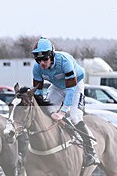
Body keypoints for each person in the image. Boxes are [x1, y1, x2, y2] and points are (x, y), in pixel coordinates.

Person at [30, 37, 99, 167]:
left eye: (45, 59)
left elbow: (71, 89)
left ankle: (91, 151)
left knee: (75, 116)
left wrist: (62, 112)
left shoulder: (64, 61)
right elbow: (38, 93)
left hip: (75, 85)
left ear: (51, 55)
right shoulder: (37, 68)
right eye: (39, 60)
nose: (42, 63)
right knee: (47, 111)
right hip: (57, 86)